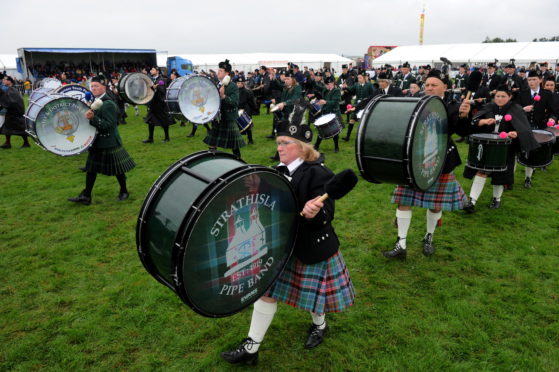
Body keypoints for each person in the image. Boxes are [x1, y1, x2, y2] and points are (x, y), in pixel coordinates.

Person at [220, 121, 355, 366]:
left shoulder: (318, 173)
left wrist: (315, 213)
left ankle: (320, 325)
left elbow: (327, 216)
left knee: (313, 298)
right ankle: (252, 347)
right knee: (266, 293)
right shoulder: (276, 171)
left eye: (285, 143)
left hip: (310, 246)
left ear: (302, 148)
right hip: (281, 245)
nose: (280, 147)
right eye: (278, 143)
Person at [383, 69, 472, 259]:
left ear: (445, 88)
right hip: (414, 160)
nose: (429, 88)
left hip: (440, 162)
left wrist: (464, 116)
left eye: (434, 85)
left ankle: (429, 237)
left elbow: (461, 131)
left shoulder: (452, 106)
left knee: (435, 205)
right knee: (403, 201)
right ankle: (401, 243)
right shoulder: (416, 103)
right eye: (428, 85)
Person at [463, 85, 540, 212]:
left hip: (506, 148)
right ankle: (472, 201)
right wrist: (482, 122)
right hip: (486, 146)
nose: (499, 98)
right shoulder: (488, 107)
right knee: (480, 171)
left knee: (500, 175)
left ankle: (496, 199)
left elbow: (524, 129)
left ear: (510, 97)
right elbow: (473, 122)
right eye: (497, 96)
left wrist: (515, 134)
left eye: (503, 96)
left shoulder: (516, 109)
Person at [67, 76, 135, 205]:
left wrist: (93, 118)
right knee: (91, 169)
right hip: (98, 141)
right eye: (92, 86)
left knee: (118, 170)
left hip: (109, 141)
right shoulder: (96, 100)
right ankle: (86, 196)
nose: (93, 88)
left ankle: (124, 191)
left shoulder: (108, 103)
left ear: (103, 87)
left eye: (96, 86)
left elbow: (108, 125)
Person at [515, 70, 557, 188]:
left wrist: (552, 119)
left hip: (540, 128)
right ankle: (510, 179)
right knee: (516, 152)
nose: (531, 82)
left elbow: (553, 111)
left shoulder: (547, 94)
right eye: (529, 80)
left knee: (532, 153)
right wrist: (523, 109)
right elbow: (515, 109)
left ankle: (527, 178)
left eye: (534, 79)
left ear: (540, 80)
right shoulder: (522, 93)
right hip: (523, 126)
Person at [203, 59, 245, 158]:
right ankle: (211, 158)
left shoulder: (233, 86)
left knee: (234, 144)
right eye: (218, 70)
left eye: (221, 71)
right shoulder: (216, 85)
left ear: (227, 74)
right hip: (218, 118)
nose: (218, 72)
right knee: (213, 141)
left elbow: (234, 103)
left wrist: (223, 96)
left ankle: (239, 160)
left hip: (229, 118)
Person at [143, 67, 174, 143]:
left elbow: (162, 89)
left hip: (160, 104)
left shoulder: (161, 80)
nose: (151, 71)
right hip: (153, 104)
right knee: (150, 121)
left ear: (157, 71)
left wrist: (155, 88)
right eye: (151, 69)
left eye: (152, 70)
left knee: (164, 121)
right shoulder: (150, 79)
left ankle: (167, 137)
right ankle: (150, 138)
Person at [343, 71, 375, 142]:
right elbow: (351, 89)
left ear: (364, 78)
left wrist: (367, 99)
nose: (358, 79)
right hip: (356, 105)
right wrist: (346, 87)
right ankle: (347, 137)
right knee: (352, 120)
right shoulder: (356, 84)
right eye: (358, 78)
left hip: (365, 105)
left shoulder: (369, 85)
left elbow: (373, 94)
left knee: (363, 122)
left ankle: (363, 138)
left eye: (360, 78)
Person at [0, 75, 30, 149]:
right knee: (7, 128)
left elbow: (11, 101)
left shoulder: (12, 90)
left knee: (21, 129)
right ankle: (7, 143)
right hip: (11, 113)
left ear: (9, 81)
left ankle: (26, 143)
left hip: (16, 113)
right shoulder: (10, 89)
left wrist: (3, 107)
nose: (3, 81)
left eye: (5, 80)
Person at [314, 76, 342, 153]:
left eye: (329, 84)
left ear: (333, 83)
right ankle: (316, 146)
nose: (327, 86)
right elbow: (323, 97)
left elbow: (335, 102)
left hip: (333, 112)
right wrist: (321, 102)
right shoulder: (326, 90)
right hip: (326, 112)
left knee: (335, 131)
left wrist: (325, 102)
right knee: (321, 129)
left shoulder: (336, 90)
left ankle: (336, 147)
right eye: (326, 84)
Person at [236, 76, 258, 145]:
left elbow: (251, 102)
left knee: (247, 127)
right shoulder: (236, 91)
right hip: (238, 110)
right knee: (237, 127)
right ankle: (239, 141)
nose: (239, 84)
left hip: (246, 110)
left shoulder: (247, 91)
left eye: (240, 83)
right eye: (238, 83)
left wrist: (254, 110)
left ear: (243, 83)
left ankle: (250, 140)